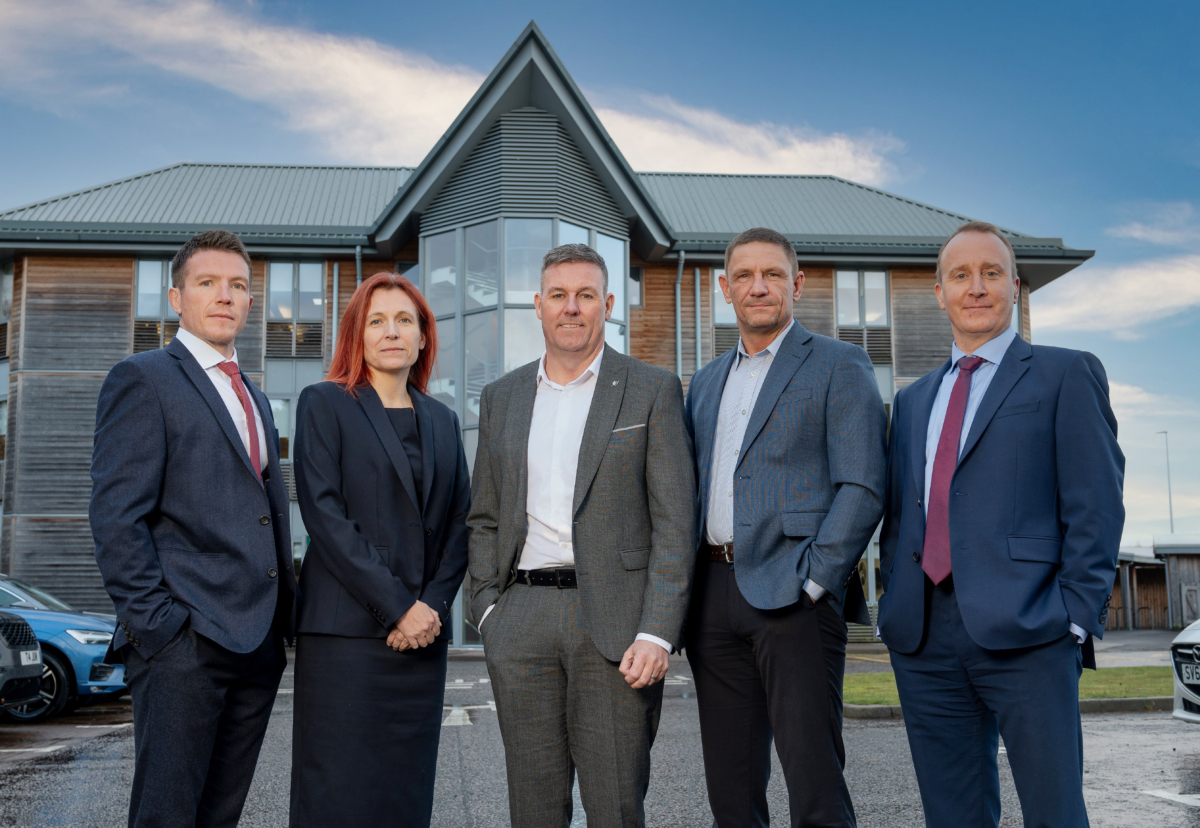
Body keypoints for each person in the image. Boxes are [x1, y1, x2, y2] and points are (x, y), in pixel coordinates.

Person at [879, 221, 1124, 828]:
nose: (976, 287)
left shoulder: (1064, 373)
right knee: (952, 814)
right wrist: (893, 602)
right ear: (939, 293)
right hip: (925, 636)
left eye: (991, 273)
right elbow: (901, 512)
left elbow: (1097, 505)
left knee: (1054, 812)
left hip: (1033, 632)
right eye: (960, 275)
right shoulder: (913, 400)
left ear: (1014, 286)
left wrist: (1074, 616)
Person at [467, 243, 696, 828]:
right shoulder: (502, 397)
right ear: (538, 307)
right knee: (534, 809)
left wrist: (657, 631)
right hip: (521, 619)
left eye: (586, 295)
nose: (572, 308)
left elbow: (675, 520)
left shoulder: (651, 388)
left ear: (607, 305)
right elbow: (485, 517)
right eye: (560, 296)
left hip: (618, 630)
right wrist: (489, 610)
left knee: (616, 806)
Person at [90, 229, 296, 828]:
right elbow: (115, 515)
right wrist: (160, 627)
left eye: (238, 286)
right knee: (167, 815)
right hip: (185, 643)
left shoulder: (254, 397)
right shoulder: (144, 378)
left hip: (257, 644)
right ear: (176, 297)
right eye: (208, 283)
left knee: (219, 814)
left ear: (251, 302)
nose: (225, 296)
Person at [684, 227, 886, 828]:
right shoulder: (705, 381)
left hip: (795, 593)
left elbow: (864, 483)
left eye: (772, 274)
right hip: (713, 595)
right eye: (744, 276)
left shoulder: (840, 363)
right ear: (725, 289)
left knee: (814, 781)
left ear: (796, 284)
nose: (759, 286)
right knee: (731, 785)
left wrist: (817, 580)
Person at [289, 272, 470, 827]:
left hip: (421, 640)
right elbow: (326, 517)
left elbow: (463, 525)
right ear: (356, 335)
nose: (391, 332)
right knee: (338, 795)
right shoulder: (324, 404)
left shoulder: (443, 420)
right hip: (346, 639)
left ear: (422, 338)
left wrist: (432, 609)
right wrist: (398, 607)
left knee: (404, 794)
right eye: (377, 321)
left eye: (404, 320)